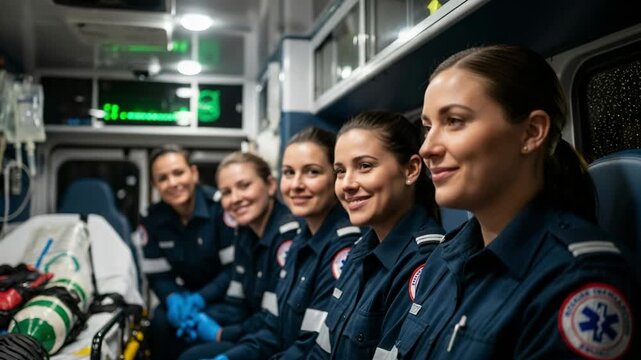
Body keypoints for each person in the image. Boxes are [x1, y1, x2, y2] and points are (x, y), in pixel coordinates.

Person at [393, 44, 639, 359]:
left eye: (454, 121)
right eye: (427, 128)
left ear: (531, 132)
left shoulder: (578, 280)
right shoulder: (445, 258)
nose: (427, 148)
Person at [211, 127, 362, 360]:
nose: (296, 184)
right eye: (289, 173)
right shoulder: (300, 242)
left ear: (336, 177)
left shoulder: (344, 246)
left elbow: (314, 347)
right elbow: (273, 329)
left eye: (312, 172)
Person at [307, 111, 445, 359]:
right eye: (340, 171)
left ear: (411, 169)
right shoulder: (360, 250)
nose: (347, 183)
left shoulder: (425, 263)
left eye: (365, 166)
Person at [178, 151, 301, 359]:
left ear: (270, 186)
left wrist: (221, 334)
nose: (235, 198)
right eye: (226, 192)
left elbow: (274, 319)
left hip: (278, 343)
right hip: (254, 333)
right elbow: (236, 304)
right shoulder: (244, 234)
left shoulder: (288, 239)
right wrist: (198, 318)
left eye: (244, 186)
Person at [139, 145, 236, 360]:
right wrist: (172, 298)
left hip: (223, 297)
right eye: (163, 178)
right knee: (160, 322)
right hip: (182, 297)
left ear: (194, 173)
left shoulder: (220, 209)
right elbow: (158, 275)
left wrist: (201, 299)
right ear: (155, 185)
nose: (173, 183)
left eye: (178, 173)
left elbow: (232, 270)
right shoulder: (152, 219)